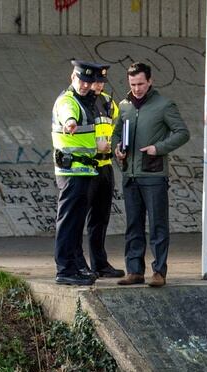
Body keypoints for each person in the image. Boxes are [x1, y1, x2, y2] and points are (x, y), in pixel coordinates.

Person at [113, 61, 189, 287]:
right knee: (133, 225)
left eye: (141, 83)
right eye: (133, 84)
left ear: (150, 81)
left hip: (154, 175)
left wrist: (159, 148)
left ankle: (159, 272)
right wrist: (117, 147)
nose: (137, 88)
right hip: (130, 174)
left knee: (157, 225)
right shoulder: (124, 106)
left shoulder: (164, 105)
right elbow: (117, 133)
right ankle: (134, 271)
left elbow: (182, 133)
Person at [51, 59, 112, 286]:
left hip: (86, 171)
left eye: (89, 81)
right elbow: (68, 115)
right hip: (72, 172)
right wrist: (70, 123)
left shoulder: (87, 101)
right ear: (72, 78)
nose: (85, 85)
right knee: (68, 222)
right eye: (81, 80)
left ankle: (76, 265)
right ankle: (65, 269)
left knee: (76, 223)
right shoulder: (68, 101)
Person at [85, 65, 123, 279]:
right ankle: (77, 264)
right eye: (95, 81)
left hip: (105, 165)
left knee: (101, 218)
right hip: (86, 167)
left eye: (101, 81)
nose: (98, 85)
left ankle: (99, 264)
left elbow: (119, 124)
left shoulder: (108, 101)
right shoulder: (80, 102)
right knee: (79, 218)